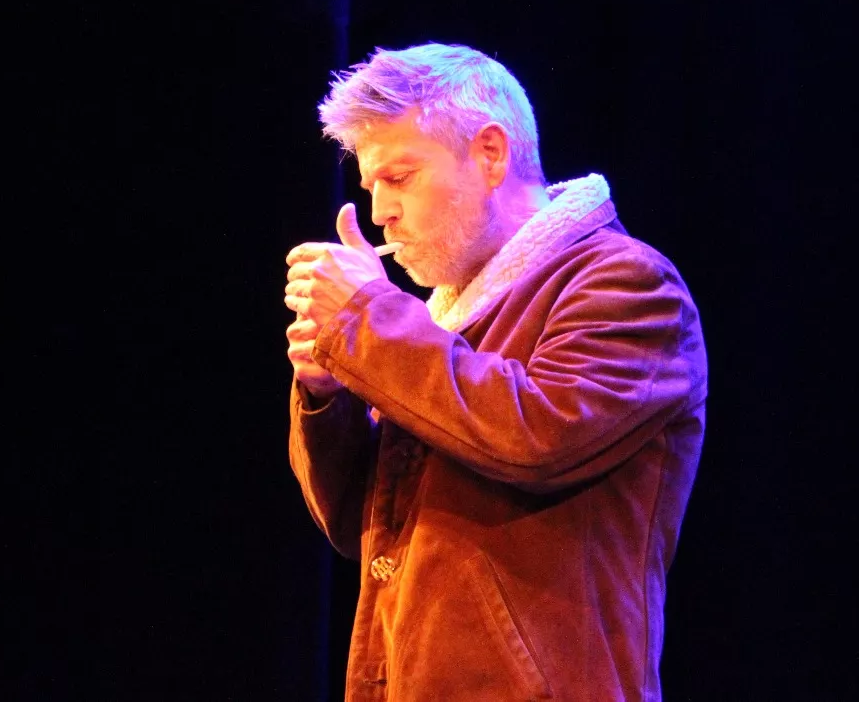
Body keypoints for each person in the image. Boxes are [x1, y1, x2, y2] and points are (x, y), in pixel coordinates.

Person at [284, 43, 707, 701]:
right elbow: (356, 526)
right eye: (371, 189)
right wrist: (328, 388)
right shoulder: (435, 326)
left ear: (490, 153)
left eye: (399, 178)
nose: (379, 214)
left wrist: (369, 319)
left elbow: (537, 439)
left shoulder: (626, 283)